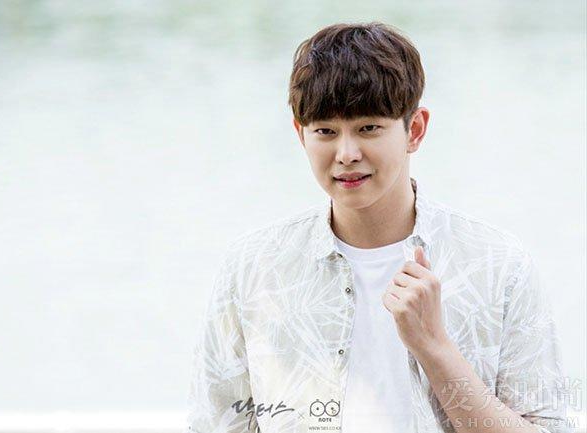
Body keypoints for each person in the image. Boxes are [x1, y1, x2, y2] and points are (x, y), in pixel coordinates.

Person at [184, 22, 570, 433]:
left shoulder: (497, 265)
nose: (346, 153)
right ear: (300, 134)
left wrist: (435, 348)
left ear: (414, 130)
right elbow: (216, 424)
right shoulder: (253, 267)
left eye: (368, 128)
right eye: (326, 131)